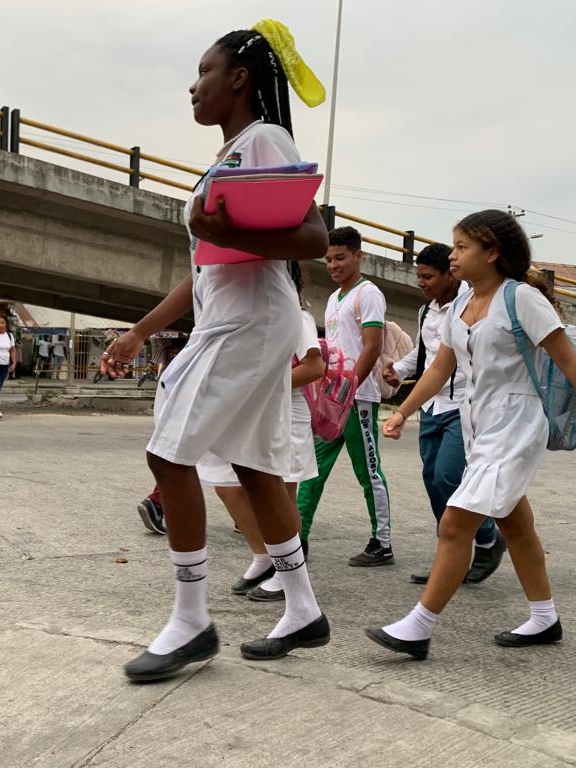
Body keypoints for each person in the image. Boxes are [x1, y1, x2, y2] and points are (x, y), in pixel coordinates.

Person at [102, 20, 330, 682]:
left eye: (204, 72)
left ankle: (191, 620)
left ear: (239, 79)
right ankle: (303, 608)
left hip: (249, 324)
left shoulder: (264, 140)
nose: (192, 86)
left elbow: (313, 237)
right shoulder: (232, 152)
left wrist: (227, 233)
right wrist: (142, 329)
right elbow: (208, 266)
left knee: (168, 454)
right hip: (237, 317)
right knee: (254, 466)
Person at [367, 209, 576, 660]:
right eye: (453, 246)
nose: (452, 256)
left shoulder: (522, 299)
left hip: (516, 422)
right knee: (514, 522)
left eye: (461, 247)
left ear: (492, 252)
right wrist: (402, 412)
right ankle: (544, 617)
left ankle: (418, 627)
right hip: (479, 423)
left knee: (456, 523)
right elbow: (440, 368)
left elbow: (571, 363)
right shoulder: (459, 305)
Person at [383, 243, 506, 585]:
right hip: (431, 405)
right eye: (418, 276)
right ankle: (454, 553)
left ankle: (487, 538)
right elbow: (428, 357)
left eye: (428, 276)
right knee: (432, 480)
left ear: (449, 274)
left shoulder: (472, 305)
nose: (421, 283)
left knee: (448, 477)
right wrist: (399, 368)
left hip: (463, 406)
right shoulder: (427, 312)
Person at [197, 276, 324, 599]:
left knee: (283, 496)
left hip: (286, 411)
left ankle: (289, 575)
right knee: (226, 485)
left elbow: (313, 367)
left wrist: (262, 382)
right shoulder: (256, 315)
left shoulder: (298, 315)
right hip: (252, 412)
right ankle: (264, 555)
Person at [297, 226, 394, 566]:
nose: (334, 265)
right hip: (332, 400)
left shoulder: (367, 294)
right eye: (329, 259)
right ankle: (298, 539)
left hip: (359, 398)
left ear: (358, 256)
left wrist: (352, 385)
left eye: (340, 257)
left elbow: (373, 346)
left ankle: (382, 543)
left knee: (368, 471)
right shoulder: (334, 299)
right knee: (312, 468)